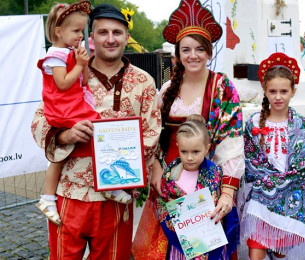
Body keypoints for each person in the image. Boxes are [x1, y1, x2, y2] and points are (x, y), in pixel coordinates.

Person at [31, 3, 161, 259]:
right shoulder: (70, 71)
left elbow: (152, 134)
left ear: (126, 37)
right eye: (103, 32)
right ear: (91, 37)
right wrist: (65, 136)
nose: (110, 39)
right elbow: (39, 121)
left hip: (115, 198)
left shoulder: (144, 82)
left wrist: (128, 169)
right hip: (70, 191)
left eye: (117, 32)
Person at [132, 0, 244, 258]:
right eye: (186, 49)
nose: (193, 55)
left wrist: (227, 192)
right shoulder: (167, 88)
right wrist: (157, 168)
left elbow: (232, 142)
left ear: (209, 51)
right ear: (178, 53)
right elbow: (153, 135)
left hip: (207, 186)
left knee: (205, 249)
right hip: (169, 185)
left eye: (199, 49)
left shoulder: (222, 87)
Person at [35, 1, 132, 227]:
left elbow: (83, 79)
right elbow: (62, 83)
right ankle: (48, 197)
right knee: (72, 147)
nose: (80, 35)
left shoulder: (69, 53)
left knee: (95, 136)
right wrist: (63, 136)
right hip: (63, 106)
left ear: (126, 36)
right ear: (58, 31)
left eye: (82, 31)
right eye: (77, 31)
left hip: (72, 102)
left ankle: (109, 184)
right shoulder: (55, 55)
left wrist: (82, 62)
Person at [238, 52, 305, 260]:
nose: (278, 96)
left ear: (293, 91)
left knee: (281, 254)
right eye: (273, 91)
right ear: (264, 90)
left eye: (283, 91)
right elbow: (251, 164)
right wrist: (269, 185)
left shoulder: (302, 126)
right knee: (256, 252)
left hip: (288, 202)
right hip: (260, 202)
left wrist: (278, 186)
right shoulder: (253, 124)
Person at [157, 114, 239, 259]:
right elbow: (162, 204)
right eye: (184, 152)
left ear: (207, 148)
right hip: (182, 245)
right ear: (178, 147)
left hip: (209, 242)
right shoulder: (170, 175)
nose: (189, 158)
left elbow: (224, 208)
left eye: (196, 152)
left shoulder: (215, 174)